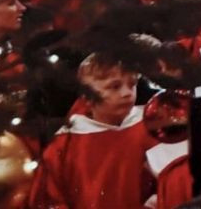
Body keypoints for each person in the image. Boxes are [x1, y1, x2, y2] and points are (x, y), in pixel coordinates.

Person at [28, 53, 156, 208]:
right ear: (87, 97)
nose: (127, 93)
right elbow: (51, 198)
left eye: (132, 84)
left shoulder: (153, 125)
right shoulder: (65, 145)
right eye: (114, 87)